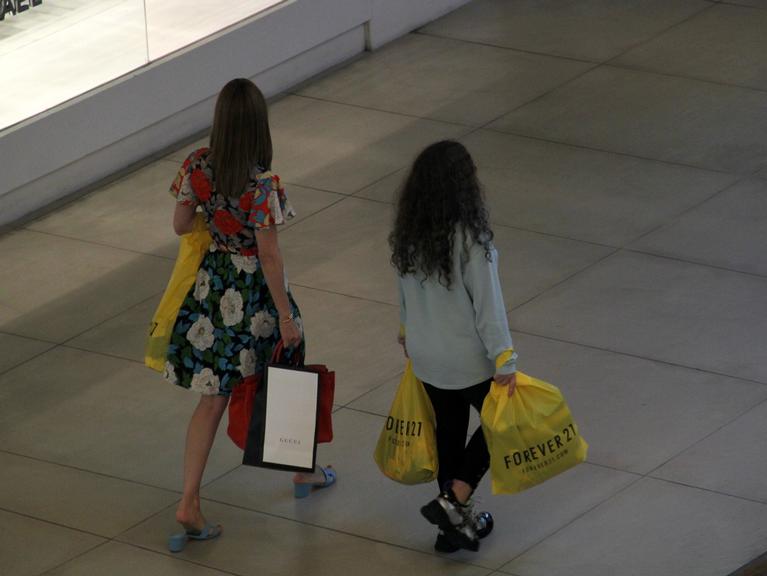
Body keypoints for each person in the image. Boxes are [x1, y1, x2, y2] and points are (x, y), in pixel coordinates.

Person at [163, 78, 335, 553]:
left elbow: (180, 224)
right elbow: (270, 256)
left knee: (212, 397)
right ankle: (302, 469)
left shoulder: (197, 165)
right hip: (255, 295)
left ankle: (189, 501)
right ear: (259, 127)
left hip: (213, 289)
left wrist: (215, 222)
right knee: (288, 368)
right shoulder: (262, 185)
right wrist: (285, 317)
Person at [389, 140, 517, 553]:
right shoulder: (472, 240)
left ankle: (451, 528)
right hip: (468, 359)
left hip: (427, 356)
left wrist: (408, 332)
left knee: (450, 433)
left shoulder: (409, 236)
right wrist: (505, 357)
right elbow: (488, 305)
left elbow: (404, 293)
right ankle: (455, 497)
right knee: (505, 421)